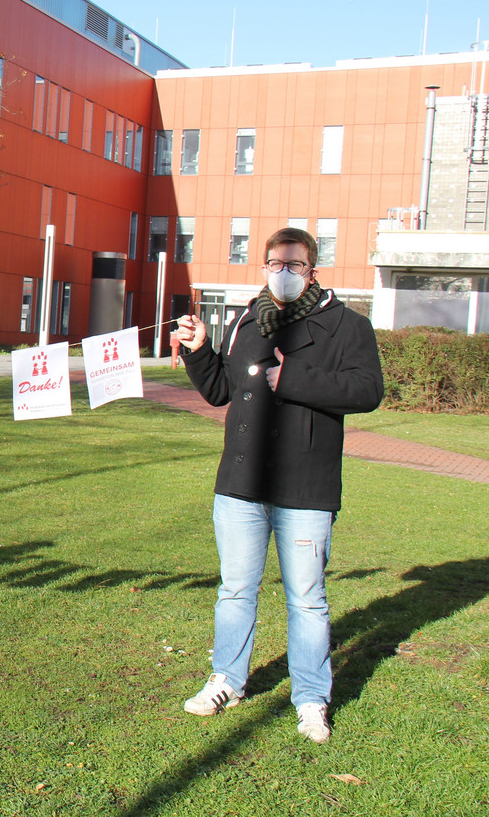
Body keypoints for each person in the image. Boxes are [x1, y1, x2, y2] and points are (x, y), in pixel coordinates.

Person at [173, 227, 383, 744]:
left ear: (313, 269)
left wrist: (291, 379)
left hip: (304, 486)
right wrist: (200, 351)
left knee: (307, 598)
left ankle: (311, 699)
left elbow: (367, 390)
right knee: (236, 589)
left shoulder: (347, 324)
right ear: (263, 266)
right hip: (241, 483)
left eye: (294, 265)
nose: (282, 273)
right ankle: (227, 679)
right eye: (273, 264)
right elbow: (222, 390)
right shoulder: (251, 317)